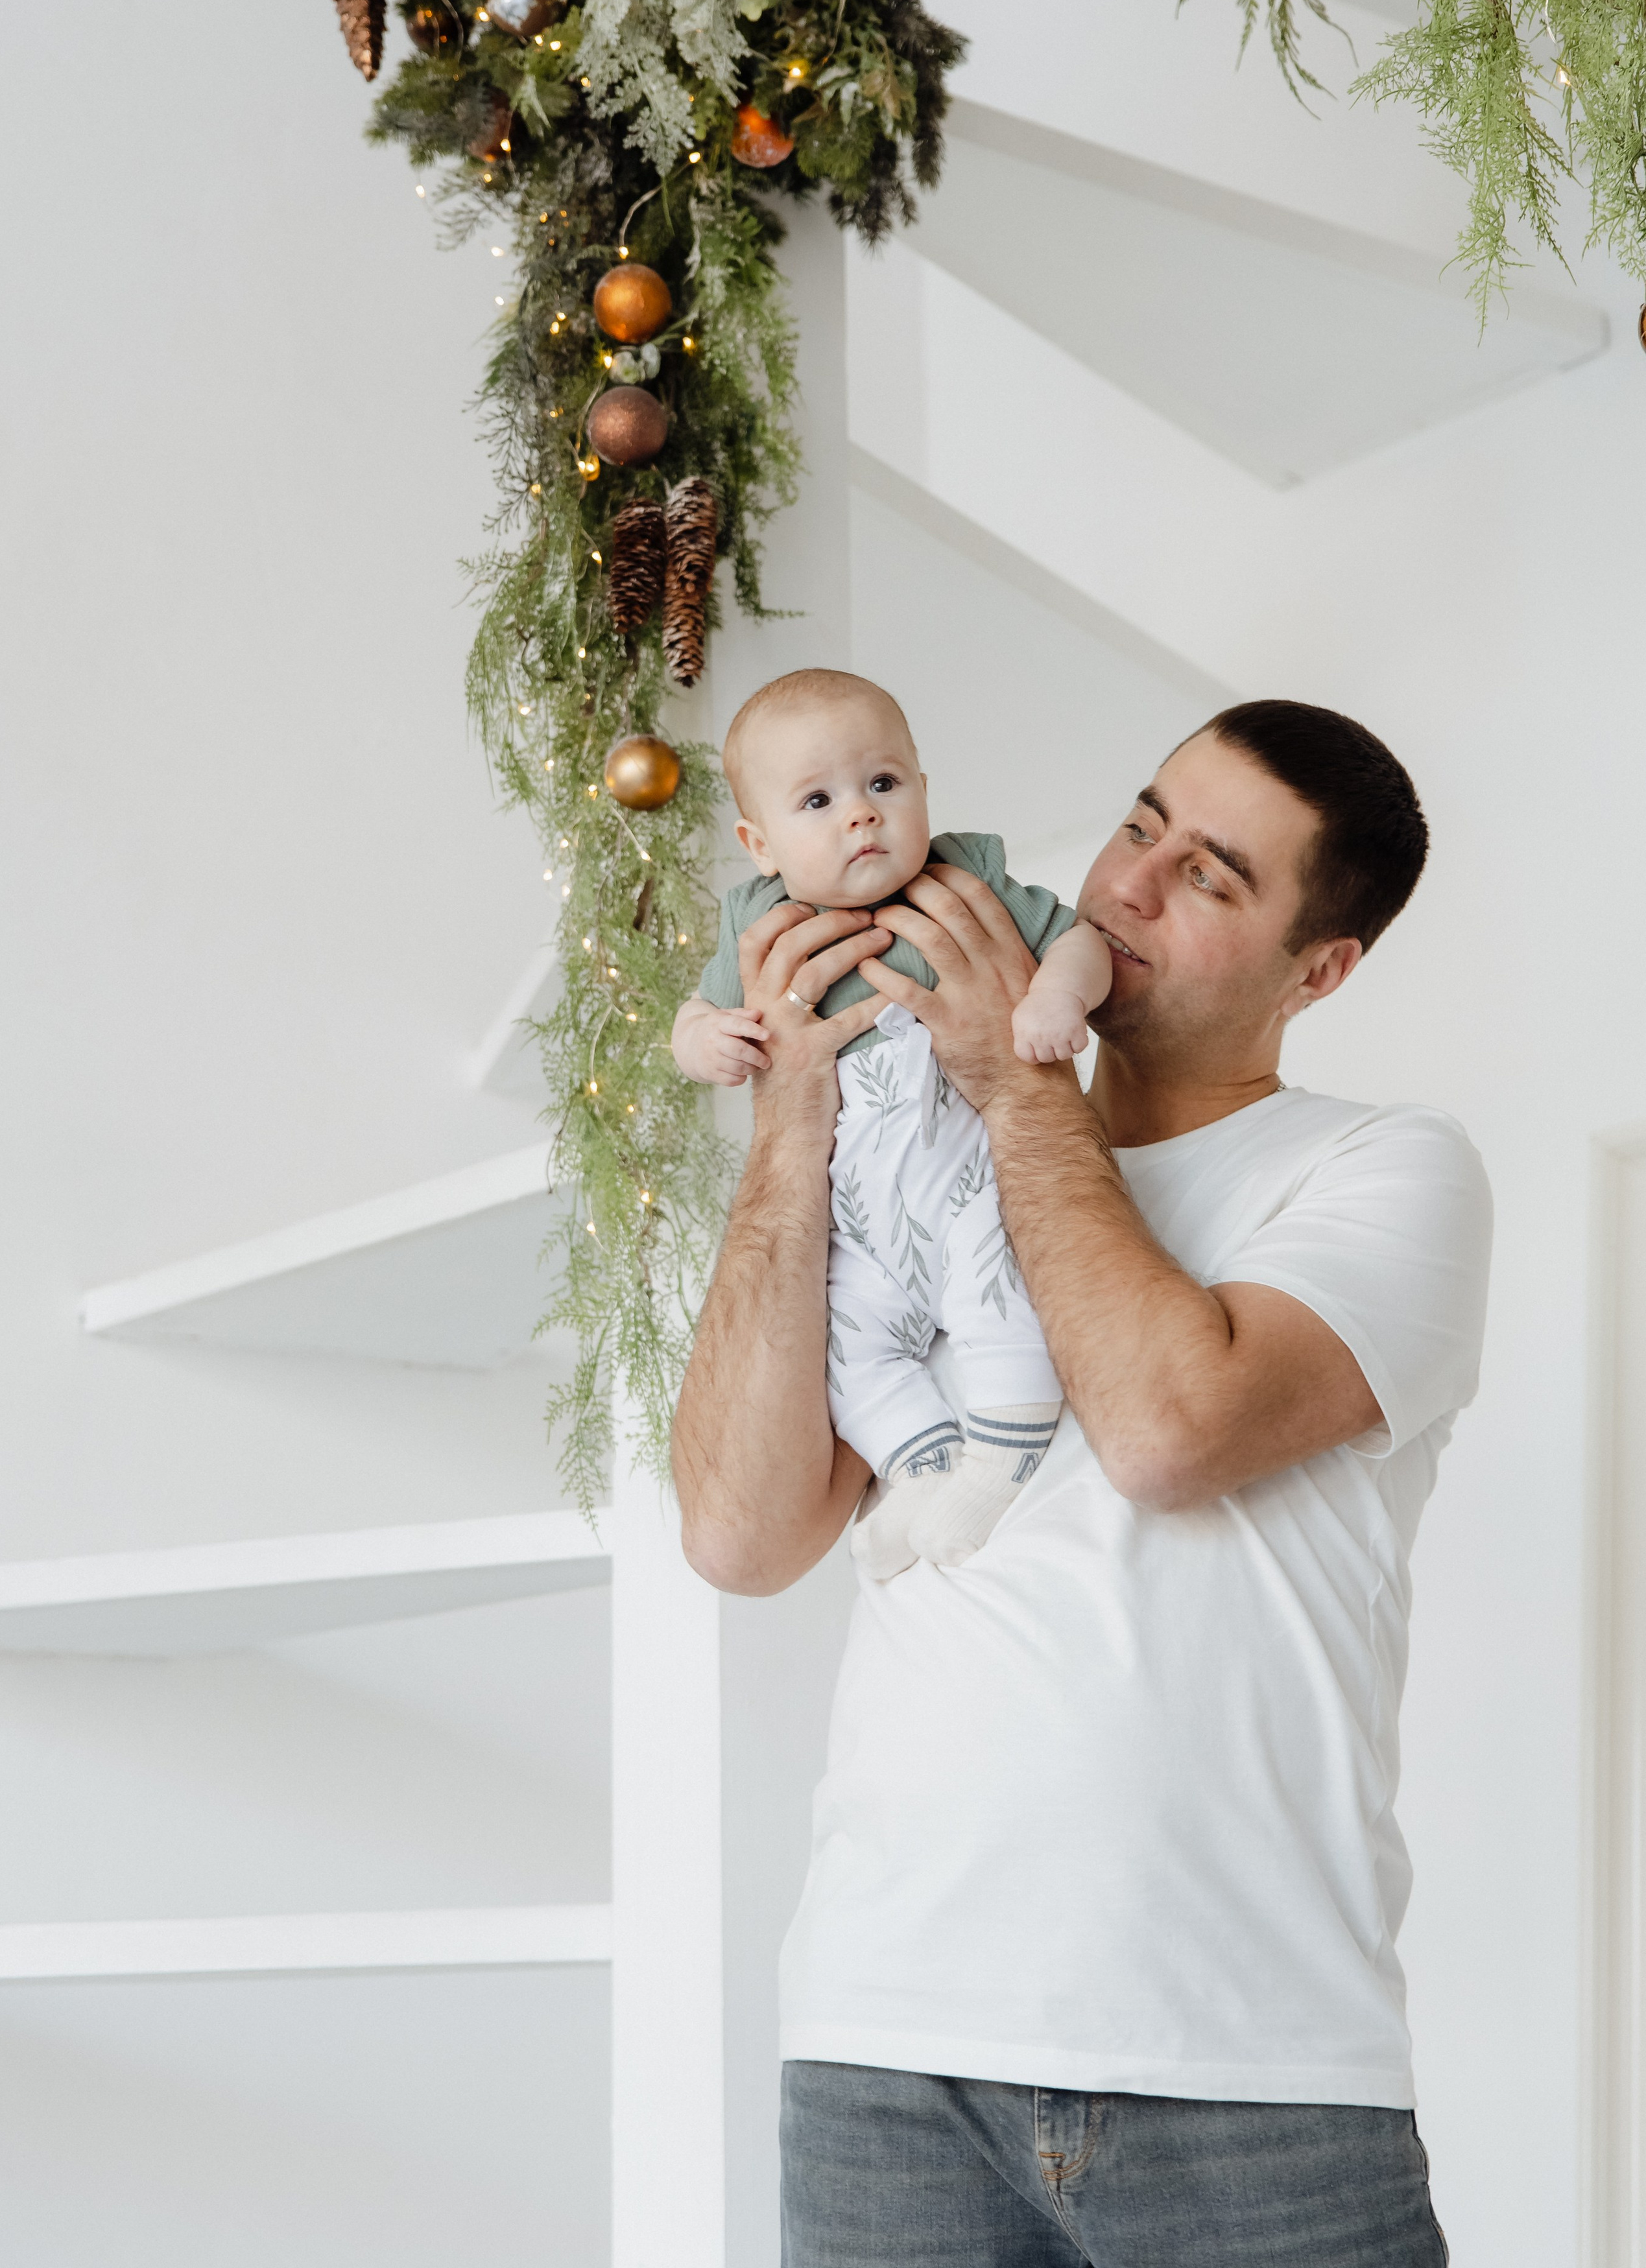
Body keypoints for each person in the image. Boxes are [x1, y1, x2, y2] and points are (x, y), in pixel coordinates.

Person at [671, 699, 1493, 2267]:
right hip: (884, 2044)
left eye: (1211, 875)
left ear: (1315, 971)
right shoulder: (911, 1151)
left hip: (1248, 2071)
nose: (1127, 884)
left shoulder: (1384, 1167)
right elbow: (738, 1530)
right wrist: (793, 1117)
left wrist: (1011, 1080)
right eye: (1137, 821)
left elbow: (1168, 1427)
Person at [671, 667, 1112, 1570]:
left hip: (964, 1175)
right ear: (760, 844)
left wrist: (1056, 1000)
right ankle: (921, 1466)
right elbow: (692, 1013)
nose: (861, 816)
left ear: (922, 789)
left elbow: (1079, 939)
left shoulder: (965, 880)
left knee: (999, 1287)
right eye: (818, 799)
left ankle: (1002, 1451)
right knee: (841, 1347)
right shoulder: (757, 922)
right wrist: (707, 1040)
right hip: (857, 1228)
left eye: (883, 783)